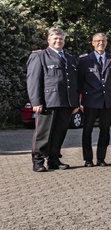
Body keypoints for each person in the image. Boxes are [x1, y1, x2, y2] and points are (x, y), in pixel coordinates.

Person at [26, 27, 80, 172]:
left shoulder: (69, 58)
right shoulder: (39, 56)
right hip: (48, 101)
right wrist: (36, 101)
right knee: (43, 134)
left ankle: (54, 159)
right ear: (49, 40)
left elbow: (74, 81)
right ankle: (38, 161)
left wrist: (75, 103)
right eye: (55, 38)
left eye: (61, 38)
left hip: (66, 102)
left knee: (59, 133)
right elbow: (33, 80)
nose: (58, 41)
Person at [77, 32, 111, 167]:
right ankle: (88, 159)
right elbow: (79, 82)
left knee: (105, 130)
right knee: (87, 130)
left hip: (107, 101)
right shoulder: (84, 60)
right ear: (92, 43)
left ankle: (101, 158)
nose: (101, 43)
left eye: (104, 41)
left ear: (107, 42)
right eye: (98, 41)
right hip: (90, 101)